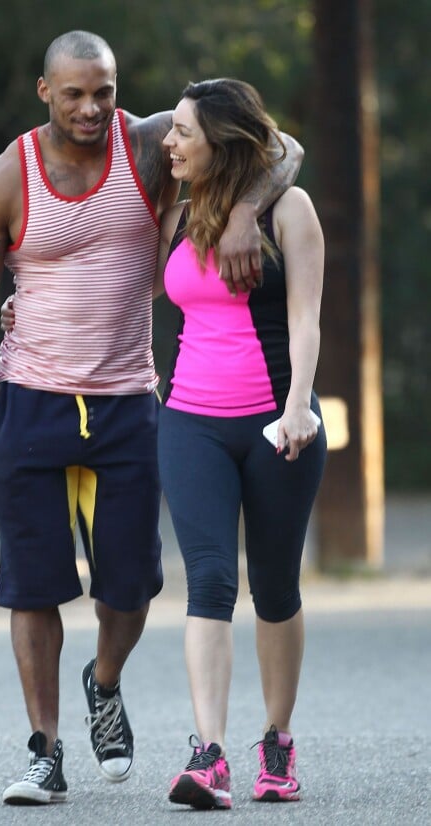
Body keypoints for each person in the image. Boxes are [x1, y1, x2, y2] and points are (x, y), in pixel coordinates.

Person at [0, 29, 303, 807]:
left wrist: (245, 212)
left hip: (126, 402)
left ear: (117, 89)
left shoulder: (147, 147)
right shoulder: (3, 180)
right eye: (73, 92)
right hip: (29, 402)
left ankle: (103, 684)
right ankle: (45, 749)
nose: (89, 107)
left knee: (132, 586)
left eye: (102, 91)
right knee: (33, 588)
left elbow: (280, 151)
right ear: (45, 91)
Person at [152, 78, 327, 810]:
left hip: (276, 424)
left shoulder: (291, 209)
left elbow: (307, 318)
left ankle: (277, 742)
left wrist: (296, 411)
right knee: (210, 582)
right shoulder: (176, 210)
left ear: (219, 142)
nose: (169, 144)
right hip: (190, 422)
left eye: (184, 134)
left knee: (277, 587)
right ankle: (210, 754)